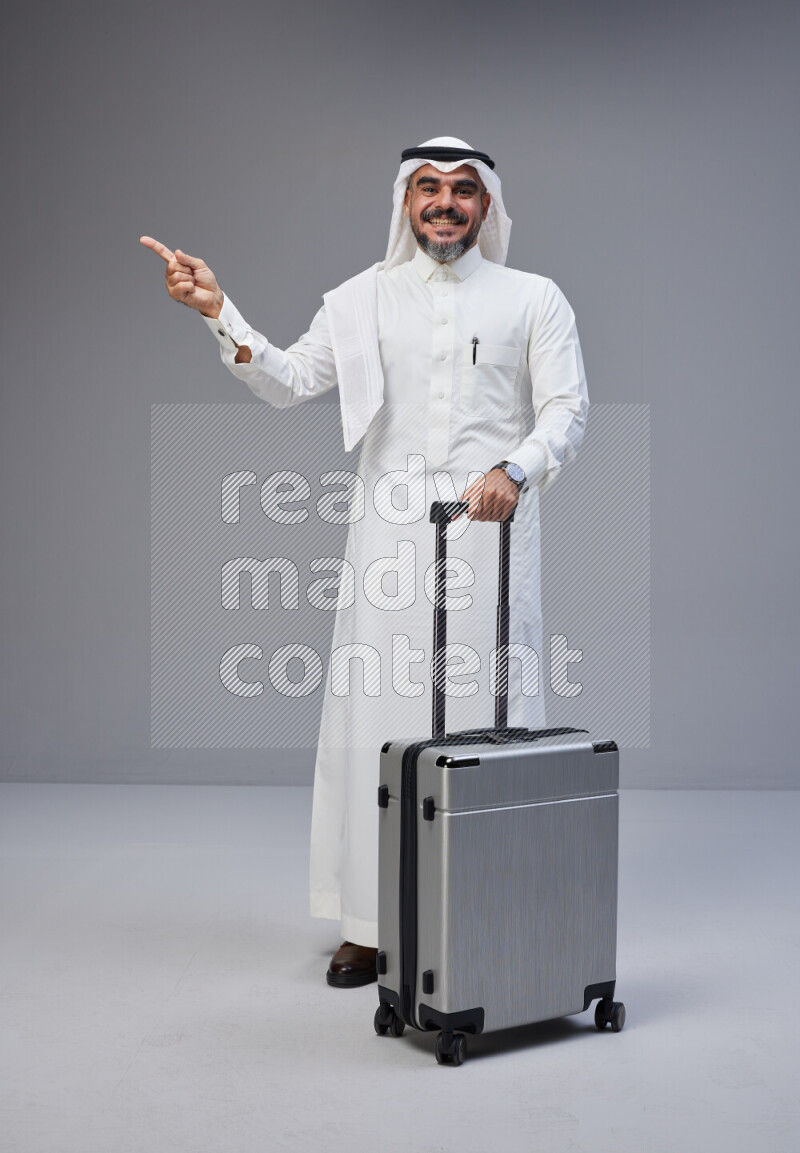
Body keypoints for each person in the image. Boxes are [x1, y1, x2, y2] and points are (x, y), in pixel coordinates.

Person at [141, 136, 589, 989]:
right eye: (428, 188)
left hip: (492, 534)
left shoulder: (535, 299)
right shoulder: (361, 300)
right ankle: (372, 922)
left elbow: (567, 408)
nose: (446, 203)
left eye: (463, 189)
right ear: (405, 203)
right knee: (375, 718)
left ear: (487, 206)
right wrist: (216, 310)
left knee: (490, 718)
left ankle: (488, 903)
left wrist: (516, 469)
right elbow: (284, 379)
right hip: (388, 535)